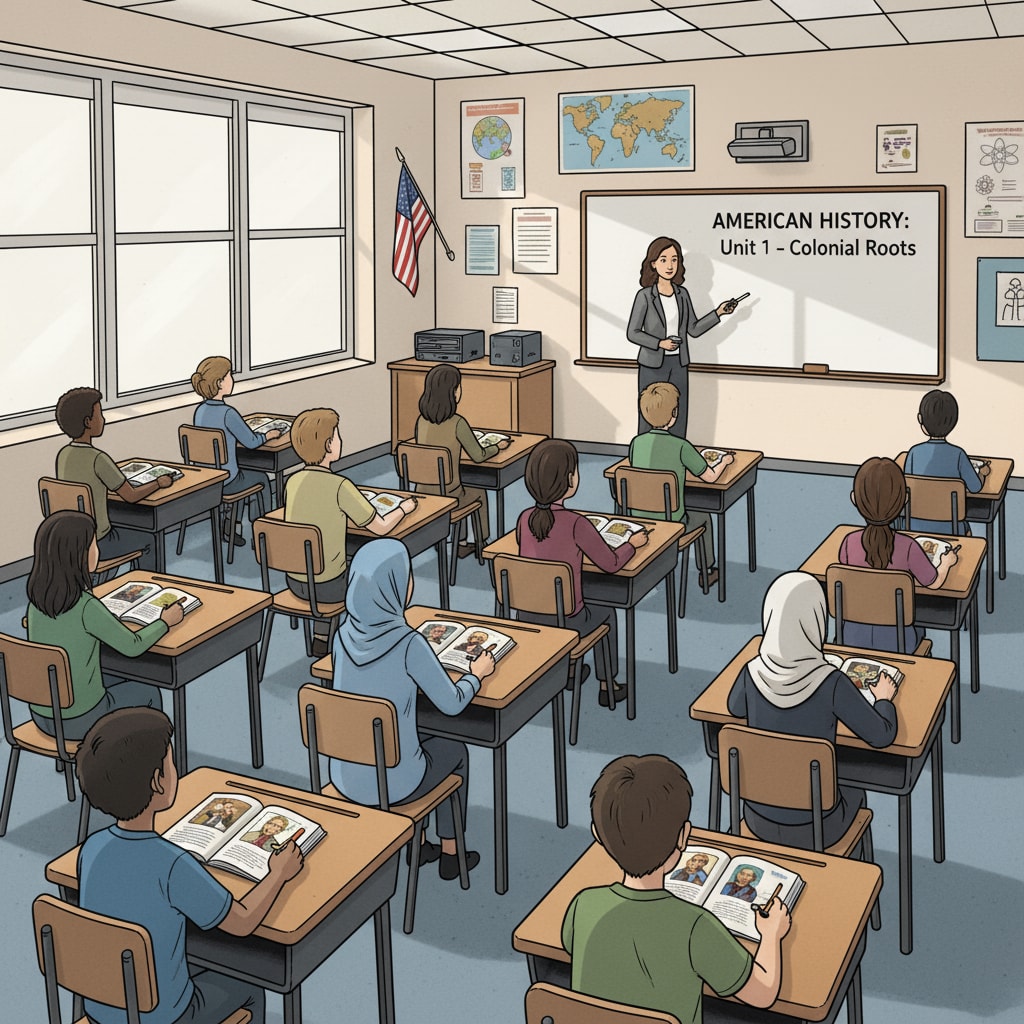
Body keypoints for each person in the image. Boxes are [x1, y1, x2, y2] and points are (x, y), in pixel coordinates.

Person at [76, 708, 303, 1024]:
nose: (176, 770)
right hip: (166, 1018)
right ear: (158, 781)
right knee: (252, 987)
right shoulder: (170, 862)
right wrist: (278, 873)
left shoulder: (91, 849)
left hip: (102, 1009)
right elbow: (242, 923)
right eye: (170, 763)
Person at [562, 755, 790, 1023]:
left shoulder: (583, 904)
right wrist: (771, 934)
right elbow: (764, 993)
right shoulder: (696, 925)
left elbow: (572, 947)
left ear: (597, 835)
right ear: (684, 836)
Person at [328, 539, 489, 880]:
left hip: (345, 775)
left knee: (414, 732)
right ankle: (451, 852)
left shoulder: (341, 635)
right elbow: (453, 703)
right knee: (455, 750)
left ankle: (421, 843)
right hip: (395, 783)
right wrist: (476, 676)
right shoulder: (408, 643)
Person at [727, 572, 899, 849]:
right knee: (855, 787)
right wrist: (884, 699)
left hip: (757, 818)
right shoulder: (831, 682)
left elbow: (733, 708)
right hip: (819, 828)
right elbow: (882, 736)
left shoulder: (751, 671)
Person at [25, 511, 178, 741]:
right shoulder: (86, 606)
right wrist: (164, 622)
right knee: (148, 691)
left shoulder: (35, 602)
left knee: (111, 670)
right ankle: (146, 766)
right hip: (81, 720)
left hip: (43, 713)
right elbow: (133, 646)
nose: (98, 549)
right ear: (78, 555)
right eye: (93, 543)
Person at [517, 439, 646, 707]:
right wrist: (631, 545)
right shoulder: (576, 523)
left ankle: (570, 670)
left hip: (527, 615)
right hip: (567, 621)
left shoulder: (523, 518)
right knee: (606, 610)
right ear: (569, 480)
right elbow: (610, 564)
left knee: (573, 591)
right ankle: (607, 684)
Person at [285, 408, 416, 656]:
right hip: (330, 586)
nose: (340, 440)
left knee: (332, 554)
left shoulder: (292, 482)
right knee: (396, 566)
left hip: (295, 581)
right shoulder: (340, 485)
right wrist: (404, 508)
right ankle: (391, 637)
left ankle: (321, 637)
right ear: (328, 445)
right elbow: (381, 527)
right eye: (337, 436)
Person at [840, 456, 957, 651]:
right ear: (904, 500)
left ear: (854, 499)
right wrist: (946, 562)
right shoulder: (908, 546)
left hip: (851, 636)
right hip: (898, 641)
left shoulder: (848, 542)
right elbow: (934, 583)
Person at [626, 236, 738, 439]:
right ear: (653, 263)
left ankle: (676, 460)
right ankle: (644, 462)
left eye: (674, 259)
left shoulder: (682, 294)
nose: (670, 265)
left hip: (678, 363)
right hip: (652, 365)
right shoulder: (644, 296)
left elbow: (693, 329)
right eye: (663, 259)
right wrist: (660, 343)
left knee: (678, 414)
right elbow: (632, 333)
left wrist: (719, 313)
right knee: (650, 415)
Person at [629, 380, 734, 591]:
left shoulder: (636, 443)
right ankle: (707, 571)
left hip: (639, 518)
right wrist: (725, 461)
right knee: (704, 517)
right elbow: (711, 478)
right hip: (673, 521)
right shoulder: (681, 446)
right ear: (674, 414)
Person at [54, 387, 169, 571]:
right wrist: (158, 483)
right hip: (99, 541)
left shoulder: (63, 455)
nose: (104, 419)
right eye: (99, 414)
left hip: (74, 540)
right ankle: (149, 586)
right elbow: (131, 496)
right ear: (87, 422)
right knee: (150, 539)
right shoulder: (98, 458)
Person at [414, 363, 509, 555]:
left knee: (462, 484)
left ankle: (462, 541)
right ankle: (482, 542)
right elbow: (478, 456)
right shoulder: (458, 422)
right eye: (458, 386)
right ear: (453, 392)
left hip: (423, 489)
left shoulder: (421, 421)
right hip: (450, 493)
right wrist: (496, 447)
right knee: (478, 491)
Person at [191, 356, 279, 547]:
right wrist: (268, 435)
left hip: (208, 478)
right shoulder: (228, 413)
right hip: (227, 480)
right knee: (261, 479)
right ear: (220, 382)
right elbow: (252, 442)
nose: (232, 379)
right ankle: (263, 532)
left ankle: (232, 526)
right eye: (229, 375)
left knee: (242, 473)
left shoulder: (200, 411)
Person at [905, 390, 986, 534]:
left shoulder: (913, 453)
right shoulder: (958, 454)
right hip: (953, 528)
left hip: (914, 525)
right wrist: (983, 474)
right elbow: (975, 487)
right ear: (953, 422)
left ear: (920, 419)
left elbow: (907, 488)